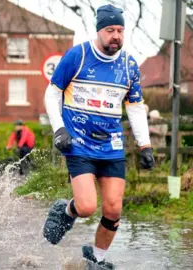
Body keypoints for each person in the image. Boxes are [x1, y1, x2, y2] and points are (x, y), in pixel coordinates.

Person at [42, 5, 155, 269]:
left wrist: (145, 145)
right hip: (78, 143)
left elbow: (136, 107)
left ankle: (97, 258)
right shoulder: (77, 56)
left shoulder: (128, 65)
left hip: (111, 145)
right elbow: (52, 93)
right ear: (99, 30)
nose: (116, 35)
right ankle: (66, 210)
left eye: (120, 30)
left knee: (114, 209)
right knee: (87, 206)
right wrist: (59, 129)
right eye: (110, 30)